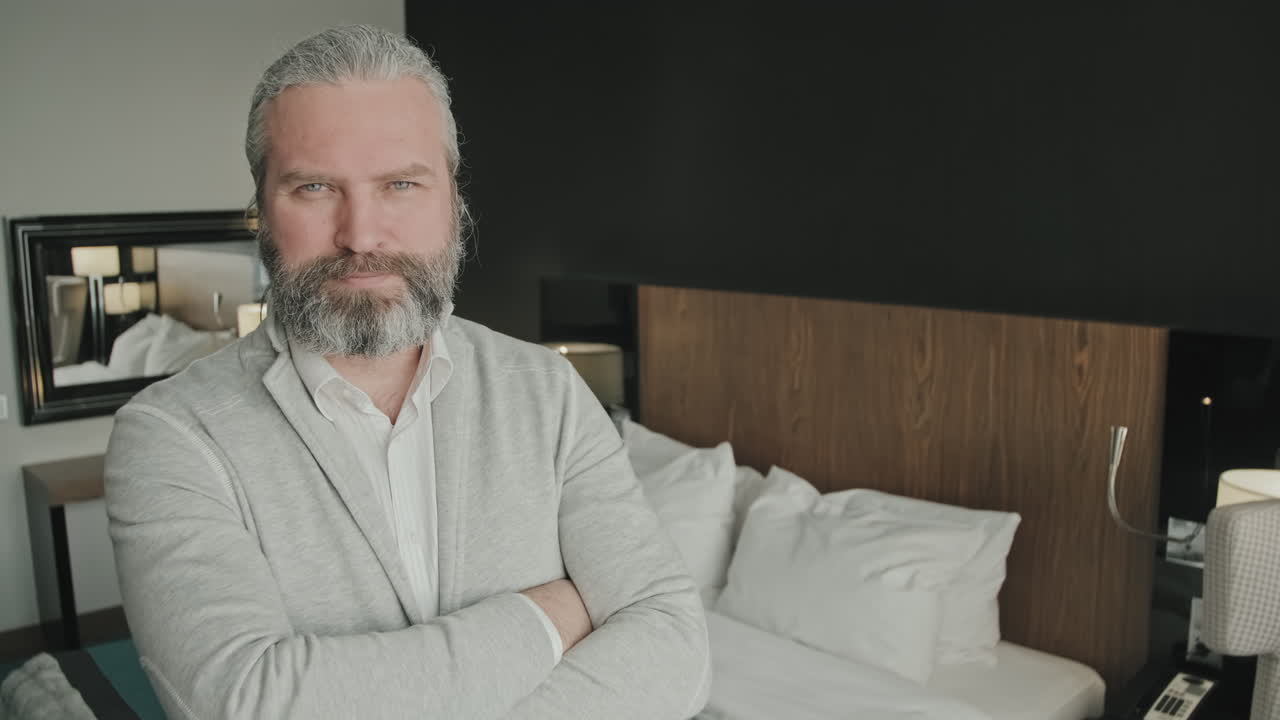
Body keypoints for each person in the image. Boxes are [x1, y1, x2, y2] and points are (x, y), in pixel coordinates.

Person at [104, 25, 710, 719]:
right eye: (313, 187)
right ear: (260, 213)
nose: (361, 234)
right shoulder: (170, 437)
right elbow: (249, 704)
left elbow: (675, 647)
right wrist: (551, 613)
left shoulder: (548, 393)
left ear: (453, 202)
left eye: (399, 183)